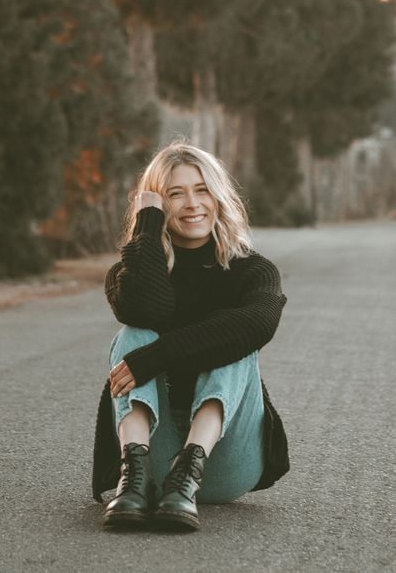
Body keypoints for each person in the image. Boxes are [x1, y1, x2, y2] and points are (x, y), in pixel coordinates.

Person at [91, 140, 289, 531]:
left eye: (201, 190)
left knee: (236, 337)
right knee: (134, 332)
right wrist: (147, 222)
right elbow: (147, 310)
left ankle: (188, 471)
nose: (193, 204)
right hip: (155, 457)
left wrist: (157, 356)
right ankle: (132, 475)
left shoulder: (253, 270)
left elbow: (259, 325)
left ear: (217, 196)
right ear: (159, 204)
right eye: (175, 194)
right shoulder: (129, 275)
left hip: (226, 458)